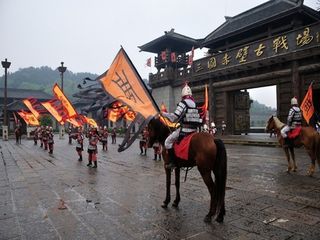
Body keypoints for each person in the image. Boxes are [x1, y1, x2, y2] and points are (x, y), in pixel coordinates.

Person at [161, 83, 202, 169]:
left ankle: (173, 162)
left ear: (183, 95)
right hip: (194, 130)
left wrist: (163, 114)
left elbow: (174, 117)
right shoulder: (194, 103)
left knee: (167, 142)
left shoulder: (183, 103)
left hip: (185, 130)